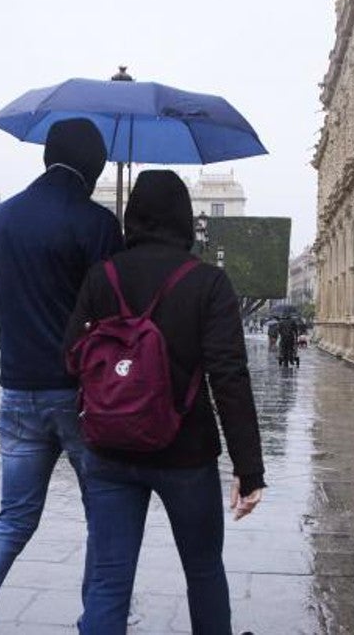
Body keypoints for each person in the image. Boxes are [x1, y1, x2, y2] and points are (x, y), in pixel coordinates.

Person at [0, 118, 123, 635]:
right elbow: (113, 317)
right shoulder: (98, 225)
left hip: (18, 392)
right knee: (103, 520)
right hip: (81, 396)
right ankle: (96, 625)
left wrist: (19, 351)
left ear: (46, 156)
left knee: (13, 518)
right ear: (94, 167)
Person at [64, 170, 266, 635]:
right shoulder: (208, 283)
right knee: (203, 571)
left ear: (131, 218)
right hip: (186, 452)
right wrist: (248, 466)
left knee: (110, 580)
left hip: (110, 450)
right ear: (184, 221)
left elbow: (70, 356)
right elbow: (228, 376)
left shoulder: (102, 277)